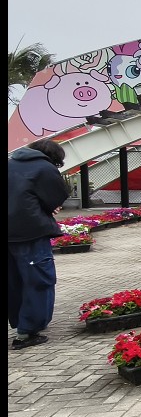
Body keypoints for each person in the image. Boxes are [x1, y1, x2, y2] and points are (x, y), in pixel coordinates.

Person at [8, 138, 70, 350]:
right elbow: (56, 197)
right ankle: (27, 332)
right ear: (55, 158)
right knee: (38, 280)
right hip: (30, 233)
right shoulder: (45, 168)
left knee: (13, 282)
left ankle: (20, 323)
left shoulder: (10, 163)